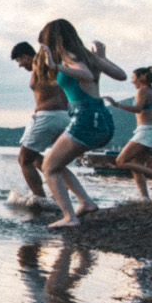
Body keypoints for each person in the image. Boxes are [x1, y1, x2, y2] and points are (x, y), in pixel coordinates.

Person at [34, 19, 127, 229]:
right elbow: (121, 75)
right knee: (55, 163)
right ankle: (85, 202)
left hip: (86, 118)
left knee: (48, 167)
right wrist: (101, 59)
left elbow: (86, 74)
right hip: (100, 117)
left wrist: (56, 66)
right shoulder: (87, 55)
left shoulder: (70, 56)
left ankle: (70, 216)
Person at [104, 66, 152, 200]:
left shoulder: (142, 91)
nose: (132, 81)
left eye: (133, 78)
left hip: (147, 132)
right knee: (136, 165)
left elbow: (137, 109)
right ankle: (145, 198)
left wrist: (116, 104)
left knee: (121, 161)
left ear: (140, 78)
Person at [9, 41, 68, 208]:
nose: (20, 65)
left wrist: (46, 45)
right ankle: (59, 191)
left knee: (24, 159)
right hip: (63, 115)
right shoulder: (48, 67)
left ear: (25, 56)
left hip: (48, 116)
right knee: (36, 159)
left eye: (19, 60)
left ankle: (40, 199)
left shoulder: (41, 65)